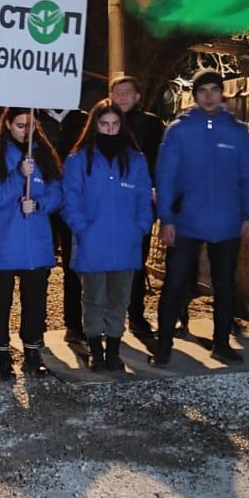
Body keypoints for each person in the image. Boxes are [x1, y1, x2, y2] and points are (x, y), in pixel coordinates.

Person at [148, 69, 249, 366]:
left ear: (222, 93)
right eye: (203, 90)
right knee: (175, 284)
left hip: (227, 222)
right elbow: (165, 176)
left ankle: (221, 344)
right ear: (195, 95)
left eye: (214, 89)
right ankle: (163, 345)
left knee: (224, 286)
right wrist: (166, 218)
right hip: (186, 221)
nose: (209, 96)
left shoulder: (237, 131)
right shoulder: (179, 130)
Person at [60, 98, 154, 372]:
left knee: (120, 299)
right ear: (94, 125)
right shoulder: (79, 159)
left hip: (126, 241)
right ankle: (96, 350)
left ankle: (114, 349)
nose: (110, 129)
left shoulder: (135, 160)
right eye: (104, 124)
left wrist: (140, 227)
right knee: (93, 299)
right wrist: (82, 227)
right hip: (92, 241)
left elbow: (143, 198)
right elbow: (70, 198)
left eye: (115, 124)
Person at [0, 107, 64, 379]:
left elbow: (56, 194)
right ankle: (2, 352)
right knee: (2, 299)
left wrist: (38, 204)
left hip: (35, 244)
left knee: (35, 300)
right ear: (7, 125)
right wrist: (18, 175)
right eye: (20, 125)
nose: (26, 131)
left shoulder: (45, 156)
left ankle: (32, 351)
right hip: (5, 242)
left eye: (31, 125)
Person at [106, 75, 167, 341]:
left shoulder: (151, 124)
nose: (122, 97)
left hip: (139, 202)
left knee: (136, 261)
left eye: (127, 92)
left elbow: (161, 161)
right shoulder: (103, 121)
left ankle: (136, 314)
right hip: (107, 202)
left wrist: (156, 189)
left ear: (138, 96)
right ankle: (108, 315)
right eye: (117, 92)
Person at [39, 105, 89, 353]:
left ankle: (74, 323)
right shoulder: (35, 116)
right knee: (40, 265)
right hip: (43, 196)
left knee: (74, 263)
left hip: (73, 198)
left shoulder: (82, 119)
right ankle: (36, 324)